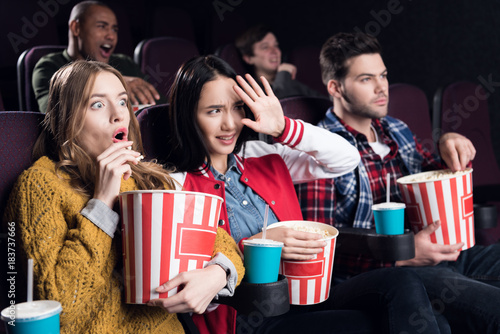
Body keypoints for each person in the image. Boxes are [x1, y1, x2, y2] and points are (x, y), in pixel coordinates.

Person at [165, 55, 444, 334]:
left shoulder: (264, 157)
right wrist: (260, 244)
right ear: (188, 116)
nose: (230, 124)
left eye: (238, 108)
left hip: (306, 296)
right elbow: (193, 286)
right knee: (385, 325)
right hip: (248, 320)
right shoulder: (175, 186)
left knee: (403, 282)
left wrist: (283, 127)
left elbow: (346, 158)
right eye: (213, 111)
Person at [3, 60, 244, 333]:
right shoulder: (40, 185)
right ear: (68, 118)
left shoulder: (145, 177)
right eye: (97, 104)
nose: (118, 115)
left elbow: (220, 242)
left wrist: (218, 273)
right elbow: (59, 304)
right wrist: (102, 202)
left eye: (121, 101)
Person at [297, 31, 500, 334]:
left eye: (383, 75)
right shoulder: (321, 149)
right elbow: (319, 246)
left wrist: (448, 143)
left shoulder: (396, 129)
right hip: (386, 273)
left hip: (443, 255)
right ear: (336, 88)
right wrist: (401, 255)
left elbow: (433, 177)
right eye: (366, 79)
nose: (382, 88)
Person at [32, 1, 162, 113]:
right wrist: (113, 84)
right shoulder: (48, 66)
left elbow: (159, 107)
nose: (111, 36)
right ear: (76, 28)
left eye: (114, 29)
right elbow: (54, 114)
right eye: (102, 26)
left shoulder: (125, 63)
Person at [235, 24, 326, 100]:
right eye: (265, 47)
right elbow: (282, 105)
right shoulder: (250, 91)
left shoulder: (290, 82)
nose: (275, 51)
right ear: (248, 58)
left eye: (276, 45)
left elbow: (324, 102)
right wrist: (283, 73)